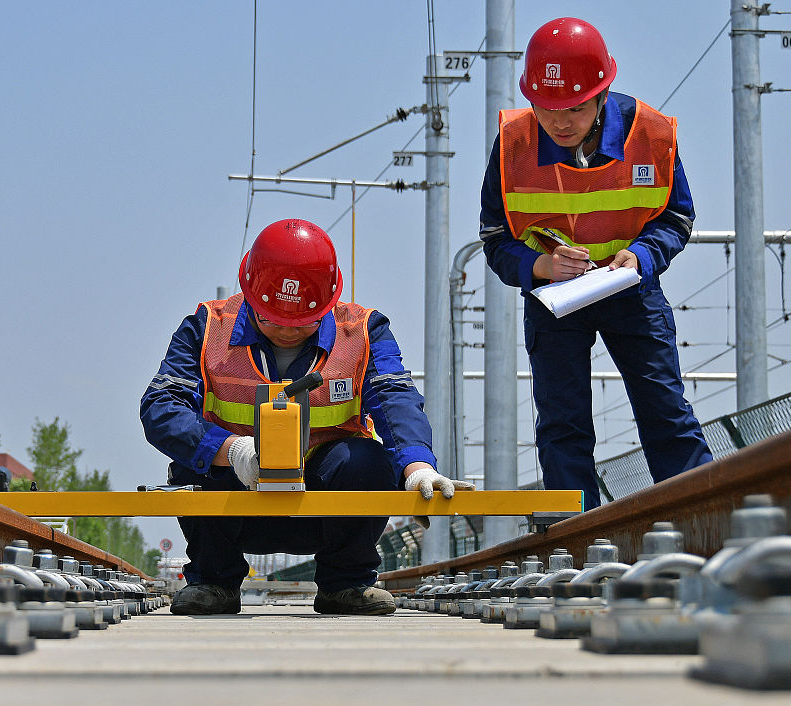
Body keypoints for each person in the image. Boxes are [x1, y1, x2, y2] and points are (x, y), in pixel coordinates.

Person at [140, 218, 471, 616]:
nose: (285, 331)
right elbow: (162, 408)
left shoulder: (364, 332)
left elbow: (393, 396)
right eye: (270, 319)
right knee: (192, 460)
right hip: (236, 497)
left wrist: (417, 467)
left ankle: (345, 584)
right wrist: (233, 451)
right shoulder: (206, 328)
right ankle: (214, 581)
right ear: (249, 295)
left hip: (324, 504)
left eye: (303, 322)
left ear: (329, 304)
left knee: (367, 461)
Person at [479, 17, 712, 510]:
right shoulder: (512, 145)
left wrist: (642, 256)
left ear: (603, 95)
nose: (560, 122)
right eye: (546, 109)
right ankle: (574, 532)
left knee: (664, 409)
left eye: (575, 108)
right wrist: (540, 267)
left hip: (631, 287)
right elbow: (496, 238)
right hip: (556, 297)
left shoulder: (650, 135)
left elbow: (676, 216)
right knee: (562, 422)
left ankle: (698, 511)